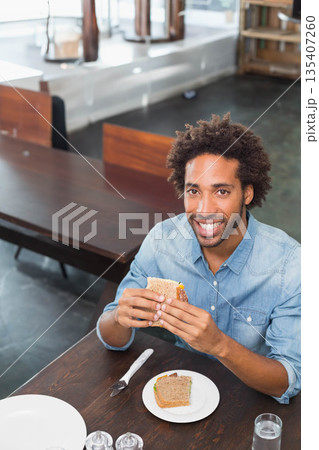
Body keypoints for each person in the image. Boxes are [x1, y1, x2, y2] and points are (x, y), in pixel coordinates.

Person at [97, 113, 300, 404]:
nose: (204, 209)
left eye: (221, 191)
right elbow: (111, 338)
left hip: (250, 403)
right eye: (194, 191)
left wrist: (220, 345)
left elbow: (287, 380)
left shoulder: (290, 266)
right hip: (181, 395)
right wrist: (119, 317)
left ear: (247, 193)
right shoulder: (162, 241)